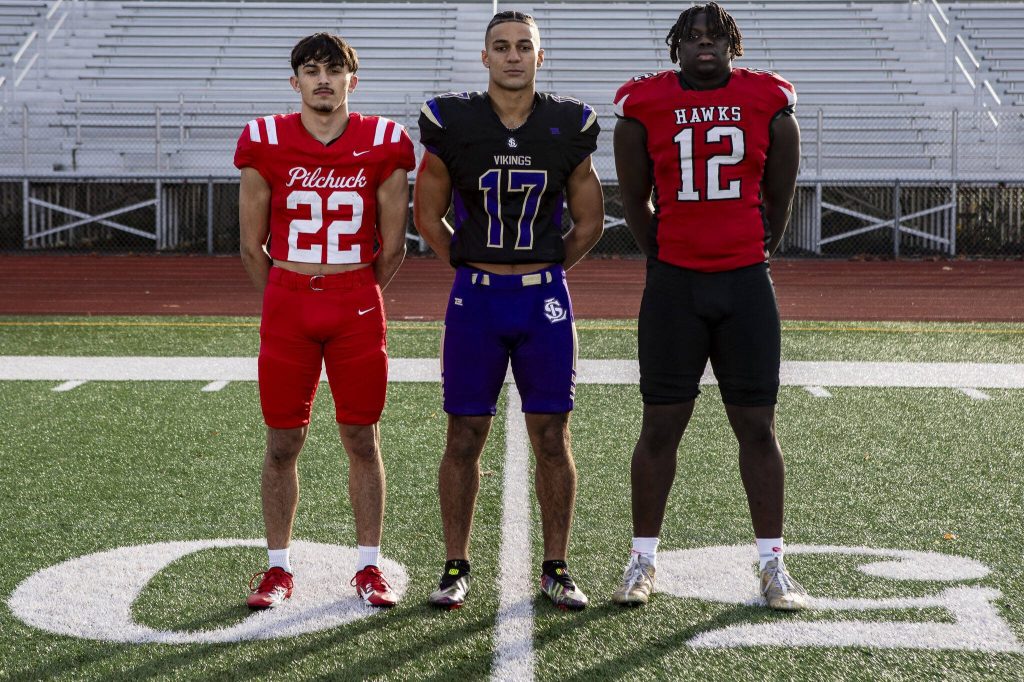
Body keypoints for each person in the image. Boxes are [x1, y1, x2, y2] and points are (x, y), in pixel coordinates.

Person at [610, 3, 807, 610]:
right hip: (675, 289)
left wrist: (746, 250)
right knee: (661, 426)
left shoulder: (770, 101)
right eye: (692, 37)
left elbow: (779, 201)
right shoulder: (643, 105)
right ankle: (642, 560)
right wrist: (669, 256)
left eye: (715, 37)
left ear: (733, 45)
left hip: (746, 284)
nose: (704, 45)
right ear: (676, 46)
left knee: (757, 427)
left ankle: (774, 567)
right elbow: (636, 204)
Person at [413, 10, 605, 610]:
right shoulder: (454, 121)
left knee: (552, 434)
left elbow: (589, 220)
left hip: (543, 300)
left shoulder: (567, 123)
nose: (514, 55)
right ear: (485, 57)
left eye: (525, 46)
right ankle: (454, 565)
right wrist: (474, 264)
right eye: (502, 46)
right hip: (476, 299)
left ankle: (556, 566)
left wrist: (542, 271)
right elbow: (427, 214)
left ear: (540, 57)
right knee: (464, 433)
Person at [234, 33, 414, 609]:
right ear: (295, 82)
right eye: (311, 70)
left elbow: (393, 246)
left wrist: (353, 290)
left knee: (362, 435)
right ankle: (278, 567)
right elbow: (249, 244)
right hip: (288, 297)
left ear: (351, 82)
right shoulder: (265, 138)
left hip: (356, 298)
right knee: (284, 439)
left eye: (334, 71)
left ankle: (368, 566)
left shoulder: (384, 140)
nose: (323, 80)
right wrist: (288, 294)